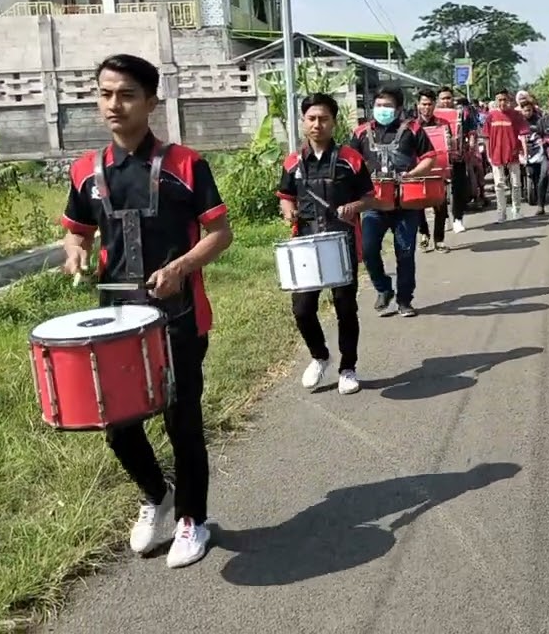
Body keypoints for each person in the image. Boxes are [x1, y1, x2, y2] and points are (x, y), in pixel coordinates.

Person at [60, 53, 233, 568]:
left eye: (127, 94)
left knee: (183, 423)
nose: (114, 104)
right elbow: (77, 228)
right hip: (114, 323)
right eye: (106, 93)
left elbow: (220, 233)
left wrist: (181, 266)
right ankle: (157, 495)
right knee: (117, 424)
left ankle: (192, 520)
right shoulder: (86, 171)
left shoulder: (186, 164)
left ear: (151, 102)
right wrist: (75, 250)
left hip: (178, 317)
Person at [276, 92, 375, 395]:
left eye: (323, 119)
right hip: (305, 244)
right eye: (311, 119)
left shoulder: (350, 159)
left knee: (346, 307)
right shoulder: (293, 161)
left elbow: (369, 197)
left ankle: (348, 367)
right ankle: (320, 356)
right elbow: (285, 196)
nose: (317, 124)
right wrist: (288, 211)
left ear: (334, 122)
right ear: (304, 122)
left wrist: (354, 208)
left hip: (341, 241)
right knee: (303, 309)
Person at [350, 86, 438, 317]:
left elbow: (430, 158)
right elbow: (349, 164)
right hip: (374, 204)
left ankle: (404, 300)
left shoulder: (413, 130)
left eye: (387, 106)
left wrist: (413, 174)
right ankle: (383, 288)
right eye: (379, 105)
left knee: (405, 253)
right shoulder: (360, 133)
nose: (382, 110)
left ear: (398, 109)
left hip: (405, 204)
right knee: (368, 251)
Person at [414, 89, 453, 252]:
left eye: (430, 104)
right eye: (424, 104)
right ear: (418, 105)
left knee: (441, 205)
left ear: (434, 105)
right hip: (419, 170)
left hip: (439, 170)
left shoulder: (443, 124)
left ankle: (439, 239)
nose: (427, 107)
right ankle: (423, 233)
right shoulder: (412, 127)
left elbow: (449, 145)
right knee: (418, 205)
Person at [484, 88, 528, 222]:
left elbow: (523, 134)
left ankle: (516, 210)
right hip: (496, 154)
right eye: (499, 100)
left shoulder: (516, 115)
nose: (502, 102)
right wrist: (488, 154)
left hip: (513, 153)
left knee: (516, 183)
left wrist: (523, 152)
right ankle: (501, 213)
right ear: (496, 101)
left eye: (504, 99)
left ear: (509, 100)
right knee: (499, 185)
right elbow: (486, 137)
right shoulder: (491, 116)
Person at [437, 87, 474, 233]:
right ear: (438, 101)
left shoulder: (463, 114)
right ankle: (444, 219)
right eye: (443, 98)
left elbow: (471, 130)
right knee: (440, 191)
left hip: (458, 157)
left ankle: (458, 219)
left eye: (448, 98)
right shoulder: (434, 115)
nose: (446, 101)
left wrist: (471, 144)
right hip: (439, 159)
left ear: (453, 99)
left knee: (459, 188)